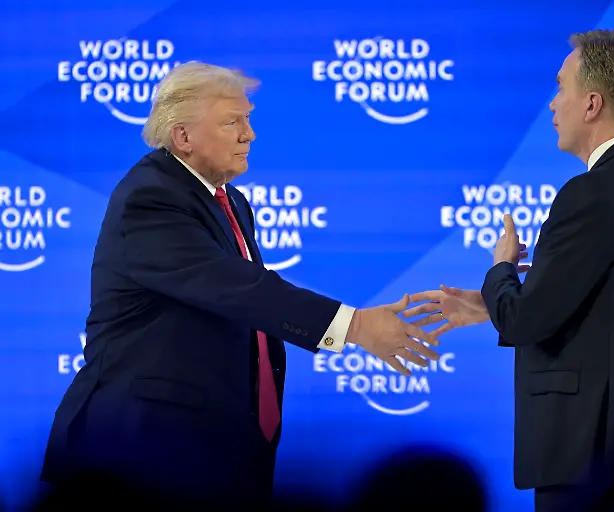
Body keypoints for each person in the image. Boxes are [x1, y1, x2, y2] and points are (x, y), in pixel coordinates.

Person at [40, 61, 443, 509]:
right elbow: (234, 287)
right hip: (142, 453)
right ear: (183, 137)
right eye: (232, 121)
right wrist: (354, 325)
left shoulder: (228, 199)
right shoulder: (150, 197)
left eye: (248, 119)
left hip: (215, 450)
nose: (249, 134)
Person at [405, 29, 614, 512]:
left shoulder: (591, 194)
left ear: (592, 104)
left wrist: (500, 269)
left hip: (588, 455)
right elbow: (607, 302)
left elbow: (526, 320)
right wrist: (489, 305)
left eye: (561, 87)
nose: (551, 104)